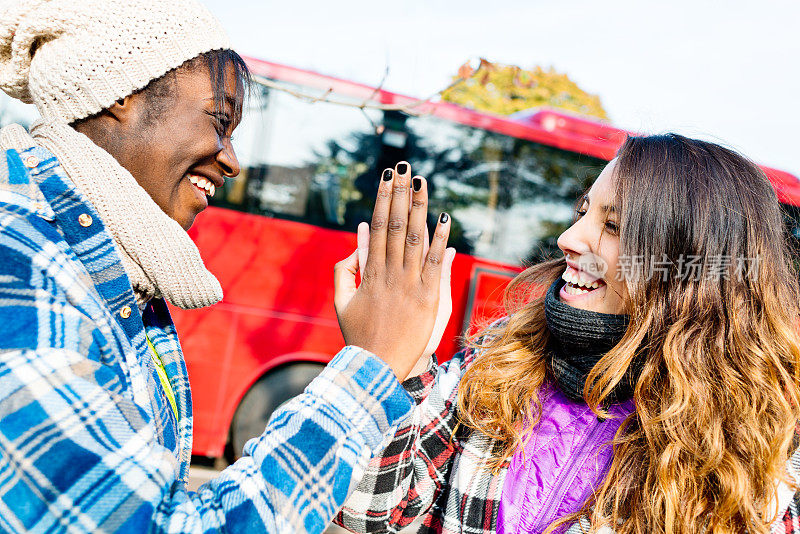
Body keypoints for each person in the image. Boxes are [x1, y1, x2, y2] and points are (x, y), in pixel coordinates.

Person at [0, 1, 454, 532]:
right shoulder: (22, 265)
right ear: (120, 94)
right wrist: (371, 365)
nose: (232, 160)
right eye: (220, 121)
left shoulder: (111, 274)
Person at [334, 134, 800, 534]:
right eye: (583, 211)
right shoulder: (498, 361)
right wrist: (389, 366)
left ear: (687, 269)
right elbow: (373, 519)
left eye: (612, 226)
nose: (569, 239)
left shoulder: (748, 462)